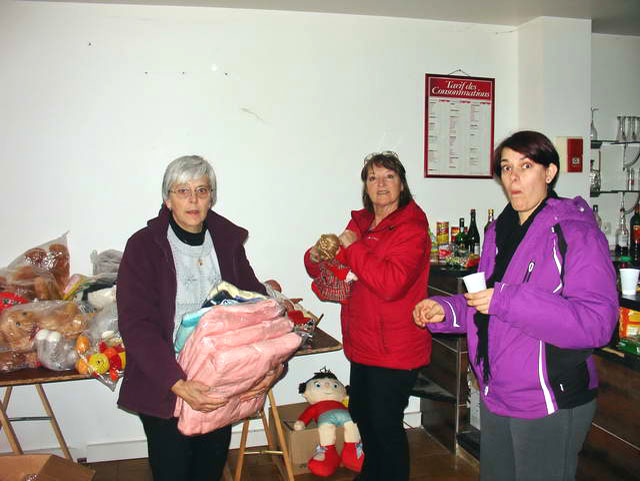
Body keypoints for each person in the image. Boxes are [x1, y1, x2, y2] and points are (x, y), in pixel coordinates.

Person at [413, 131, 619, 481]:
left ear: (550, 172)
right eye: (506, 167)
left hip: (549, 399)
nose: (513, 177)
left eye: (526, 166)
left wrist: (506, 299)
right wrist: (445, 311)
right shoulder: (500, 230)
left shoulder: (576, 233)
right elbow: (487, 305)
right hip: (499, 393)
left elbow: (598, 323)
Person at [117, 155, 281, 481]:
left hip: (219, 382)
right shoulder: (144, 247)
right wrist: (177, 382)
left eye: (202, 190)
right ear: (168, 199)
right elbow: (137, 325)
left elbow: (256, 309)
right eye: (182, 191)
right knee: (173, 471)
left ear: (211, 197)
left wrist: (271, 369)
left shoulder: (226, 243)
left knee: (209, 470)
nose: (193, 199)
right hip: (166, 382)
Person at [304, 151, 432, 481]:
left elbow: (390, 284)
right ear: (365, 185)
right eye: (373, 177)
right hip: (362, 343)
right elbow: (337, 267)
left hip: (396, 347)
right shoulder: (360, 222)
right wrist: (315, 255)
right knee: (362, 417)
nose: (381, 184)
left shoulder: (413, 228)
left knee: (385, 425)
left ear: (402, 184)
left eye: (389, 176)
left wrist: (354, 247)